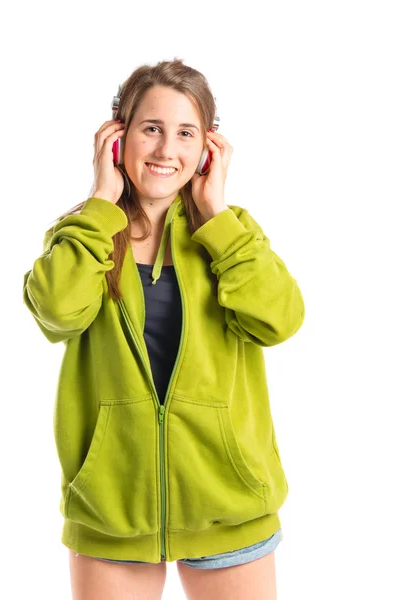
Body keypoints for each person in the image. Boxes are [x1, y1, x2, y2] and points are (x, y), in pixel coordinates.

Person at [22, 58, 304, 600]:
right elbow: (57, 311)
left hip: (228, 503)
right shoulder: (84, 232)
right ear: (117, 135)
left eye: (185, 133)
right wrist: (103, 204)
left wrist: (216, 215)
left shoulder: (231, 231)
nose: (165, 149)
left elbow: (281, 320)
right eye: (151, 128)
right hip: (112, 508)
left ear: (207, 148)